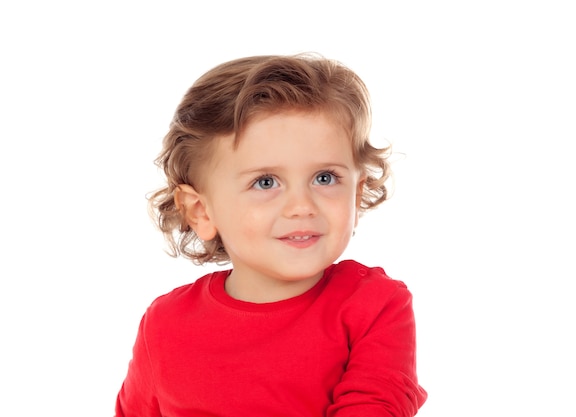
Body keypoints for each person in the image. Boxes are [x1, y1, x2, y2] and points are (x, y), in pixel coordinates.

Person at [114, 53, 427, 416]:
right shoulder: (165, 325)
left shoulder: (373, 306)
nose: (301, 206)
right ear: (201, 210)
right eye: (266, 182)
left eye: (324, 178)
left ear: (357, 193)